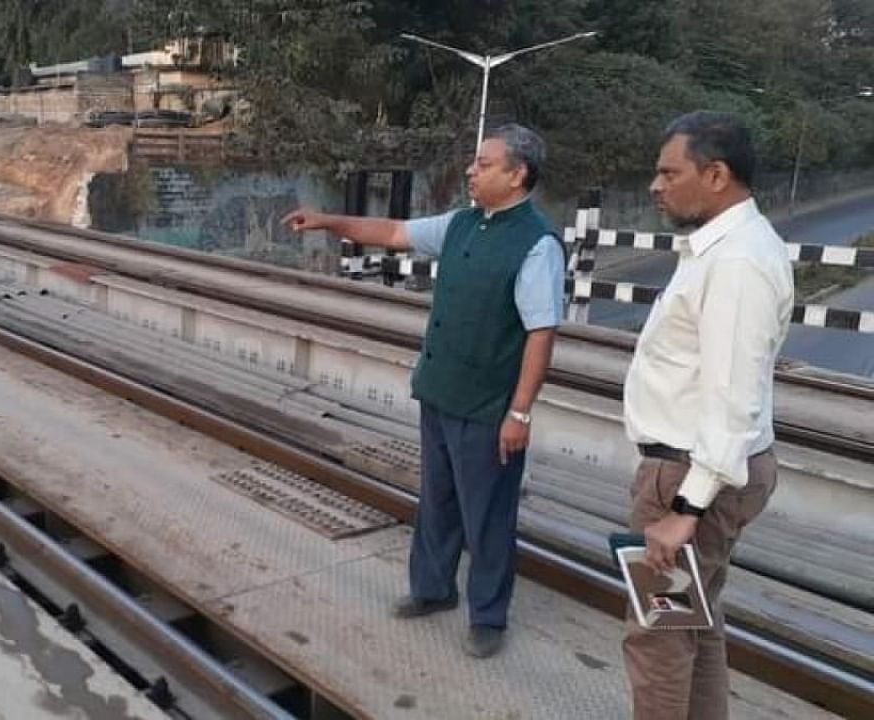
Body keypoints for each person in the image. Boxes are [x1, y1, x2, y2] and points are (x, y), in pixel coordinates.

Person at [283, 124, 565, 658]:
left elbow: (541, 334)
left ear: (517, 174)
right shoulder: (463, 223)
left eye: (483, 164)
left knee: (488, 516)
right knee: (436, 501)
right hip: (440, 391)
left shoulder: (536, 245)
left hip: (487, 407)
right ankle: (433, 589)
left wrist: (520, 414)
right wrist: (328, 221)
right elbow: (393, 232)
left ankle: (488, 615)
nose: (470, 171)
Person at [622, 111, 794, 718]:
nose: (655, 185)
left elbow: (733, 397)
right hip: (698, 474)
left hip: (690, 480)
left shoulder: (737, 262)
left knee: (659, 638)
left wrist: (684, 511)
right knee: (695, 626)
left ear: (716, 174)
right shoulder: (723, 249)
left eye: (670, 172)